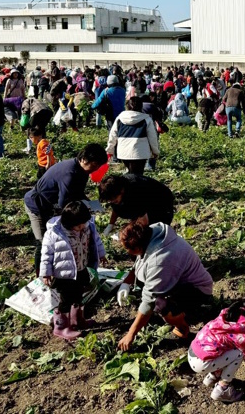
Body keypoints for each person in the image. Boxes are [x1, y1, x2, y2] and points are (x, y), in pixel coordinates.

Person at [117, 220, 214, 349]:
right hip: (179, 282)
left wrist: (131, 334)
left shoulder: (160, 261)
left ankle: (183, 327)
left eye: (128, 250)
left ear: (138, 248)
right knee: (154, 298)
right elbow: (140, 261)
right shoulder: (150, 234)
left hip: (198, 290)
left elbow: (149, 301)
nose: (127, 253)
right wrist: (126, 283)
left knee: (163, 306)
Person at [23, 143, 108, 274]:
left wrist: (91, 204)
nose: (96, 169)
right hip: (37, 206)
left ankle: (60, 269)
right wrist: (84, 213)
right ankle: (41, 275)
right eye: (95, 165)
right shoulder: (69, 173)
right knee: (44, 242)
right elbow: (64, 204)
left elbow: (78, 193)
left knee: (60, 238)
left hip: (51, 205)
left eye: (98, 166)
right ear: (84, 159)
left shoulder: (83, 171)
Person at [188, 296, 245, 403]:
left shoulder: (237, 313)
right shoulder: (243, 337)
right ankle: (222, 389)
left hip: (195, 350)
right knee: (239, 354)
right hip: (201, 362)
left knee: (226, 350)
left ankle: (213, 377)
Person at [40, 201, 107, 341]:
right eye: (79, 225)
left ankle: (77, 320)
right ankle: (61, 327)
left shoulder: (88, 228)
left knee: (79, 295)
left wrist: (101, 254)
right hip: (64, 274)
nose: (82, 227)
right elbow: (46, 255)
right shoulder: (54, 234)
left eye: (84, 223)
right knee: (66, 300)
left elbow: (96, 241)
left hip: (81, 268)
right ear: (69, 222)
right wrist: (46, 273)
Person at [98, 173, 175, 235]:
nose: (112, 201)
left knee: (155, 231)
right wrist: (111, 225)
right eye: (110, 200)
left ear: (121, 191)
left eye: (114, 199)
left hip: (161, 201)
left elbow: (144, 220)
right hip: (144, 201)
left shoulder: (136, 191)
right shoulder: (114, 190)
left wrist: (127, 231)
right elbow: (116, 208)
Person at [107, 96, 159, 174]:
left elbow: (112, 136)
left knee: (130, 173)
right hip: (140, 153)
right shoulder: (146, 119)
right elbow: (153, 137)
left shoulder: (120, 118)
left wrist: (110, 150)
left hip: (124, 152)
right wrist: (155, 151)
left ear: (127, 106)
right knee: (138, 175)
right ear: (141, 106)